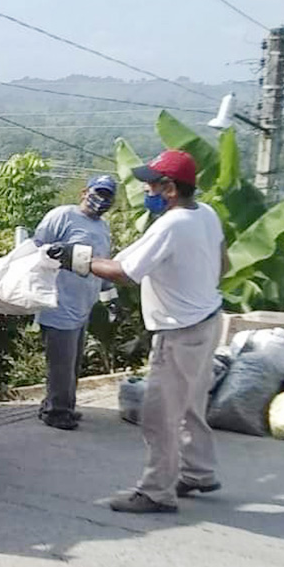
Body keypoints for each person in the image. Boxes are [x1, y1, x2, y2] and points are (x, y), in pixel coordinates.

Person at [48, 150, 228, 514]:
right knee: (191, 403)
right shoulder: (206, 214)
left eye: (152, 184)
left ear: (170, 188)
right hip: (208, 320)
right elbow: (224, 263)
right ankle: (198, 471)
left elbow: (125, 273)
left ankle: (156, 492)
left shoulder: (171, 225)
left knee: (159, 415)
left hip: (179, 332)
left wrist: (75, 259)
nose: (146, 189)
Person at [32, 175, 118, 430]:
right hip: (58, 305)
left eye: (108, 196)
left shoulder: (103, 228)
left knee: (71, 364)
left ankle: (56, 405)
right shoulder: (62, 216)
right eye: (98, 192)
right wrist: (57, 253)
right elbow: (35, 249)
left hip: (83, 307)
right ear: (84, 192)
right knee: (61, 365)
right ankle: (57, 412)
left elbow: (103, 264)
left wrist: (110, 298)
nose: (102, 200)